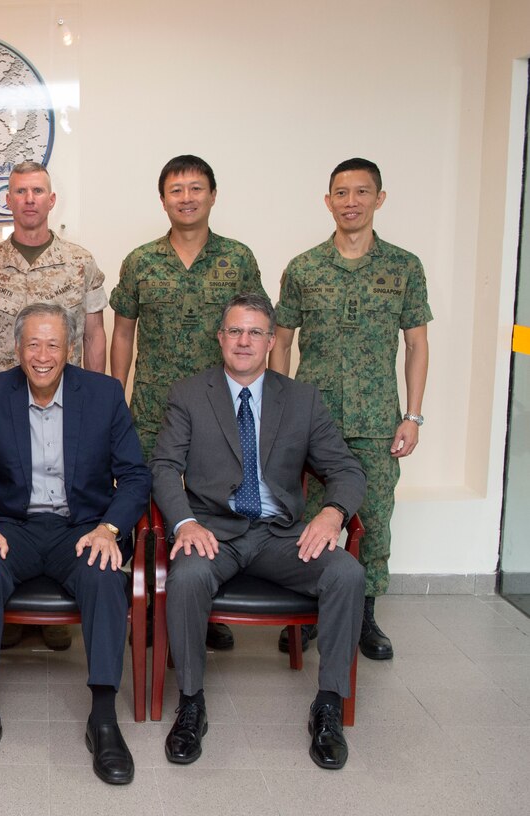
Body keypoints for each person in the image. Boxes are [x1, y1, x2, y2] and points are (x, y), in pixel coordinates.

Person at [151, 293, 365, 770]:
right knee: (184, 577)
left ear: (271, 341)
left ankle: (327, 706)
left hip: (281, 536)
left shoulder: (303, 400)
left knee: (346, 574)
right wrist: (185, 522)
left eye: (254, 332)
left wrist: (332, 513)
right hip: (213, 533)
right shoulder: (188, 394)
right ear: (219, 337)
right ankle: (191, 705)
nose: (243, 341)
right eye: (234, 331)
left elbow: (347, 470)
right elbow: (164, 466)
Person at [0, 303, 151, 784]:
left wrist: (110, 531)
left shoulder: (103, 395)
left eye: (54, 344)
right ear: (17, 349)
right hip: (10, 526)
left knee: (105, 576)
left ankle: (103, 717)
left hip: (81, 528)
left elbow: (136, 477)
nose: (43, 355)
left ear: (71, 349)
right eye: (33, 344)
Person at [270, 158, 432, 660]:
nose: (351, 202)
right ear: (328, 201)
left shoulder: (404, 267)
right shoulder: (304, 267)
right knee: (310, 518)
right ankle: (311, 610)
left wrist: (414, 414)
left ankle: (365, 616)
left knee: (375, 521)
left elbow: (417, 345)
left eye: (362, 192)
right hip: (312, 421)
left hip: (378, 420)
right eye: (341, 193)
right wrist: (279, 406)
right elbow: (280, 340)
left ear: (379, 198)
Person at [110, 154, 266, 652]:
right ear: (163, 200)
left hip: (221, 411)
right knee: (150, 506)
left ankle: (204, 600)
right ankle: (150, 608)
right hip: (154, 406)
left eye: (196, 188)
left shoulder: (238, 258)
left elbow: (258, 328)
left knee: (212, 501)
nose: (186, 197)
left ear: (213, 195)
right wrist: (117, 395)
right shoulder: (140, 260)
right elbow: (123, 333)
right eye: (176, 190)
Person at [0, 160, 108, 651]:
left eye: (37, 191)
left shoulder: (81, 262)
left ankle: (53, 617)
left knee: (60, 502)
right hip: (0, 415)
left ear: (51, 200)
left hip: (65, 407)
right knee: (9, 510)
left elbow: (93, 333)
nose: (28, 199)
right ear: (8, 200)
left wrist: (97, 405)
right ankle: (13, 612)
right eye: (19, 191)